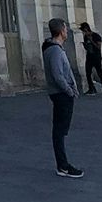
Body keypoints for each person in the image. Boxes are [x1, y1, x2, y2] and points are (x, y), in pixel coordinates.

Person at [42, 18, 83, 177]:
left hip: (60, 93)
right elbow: (58, 75)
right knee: (59, 131)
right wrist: (69, 90)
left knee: (60, 130)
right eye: (65, 29)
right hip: (61, 94)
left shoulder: (54, 49)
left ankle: (62, 164)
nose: (67, 32)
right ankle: (63, 165)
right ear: (60, 31)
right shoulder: (55, 51)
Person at [79, 22, 102, 96]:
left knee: (100, 73)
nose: (84, 33)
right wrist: (85, 45)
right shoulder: (85, 37)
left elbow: (98, 47)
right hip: (89, 57)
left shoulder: (96, 36)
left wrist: (91, 41)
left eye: (84, 31)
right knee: (88, 73)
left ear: (86, 29)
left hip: (96, 57)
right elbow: (87, 48)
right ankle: (91, 89)